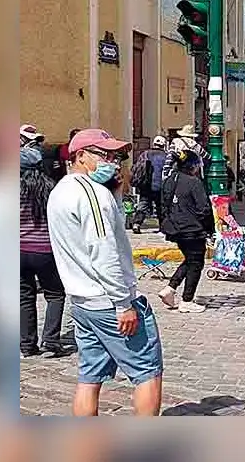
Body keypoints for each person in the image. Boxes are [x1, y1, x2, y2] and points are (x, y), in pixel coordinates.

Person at [47, 129, 163, 416]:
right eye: (104, 154)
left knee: (90, 377)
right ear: (80, 156)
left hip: (82, 301)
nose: (112, 161)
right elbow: (104, 252)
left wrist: (116, 191)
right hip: (108, 302)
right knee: (148, 372)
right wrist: (124, 304)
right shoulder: (91, 193)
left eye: (115, 156)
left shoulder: (61, 190)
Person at [20, 146, 68, 358]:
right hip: (46, 249)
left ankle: (26, 345)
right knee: (55, 294)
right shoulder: (52, 189)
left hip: (17, 249)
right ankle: (50, 339)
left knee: (24, 296)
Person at [158, 150, 214, 313]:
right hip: (192, 229)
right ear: (193, 166)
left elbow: (162, 205)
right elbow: (204, 209)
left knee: (190, 259)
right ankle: (187, 300)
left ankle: (170, 288)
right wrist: (210, 230)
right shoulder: (194, 182)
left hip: (175, 228)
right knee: (196, 263)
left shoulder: (169, 180)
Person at [130, 135, 168, 233]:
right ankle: (163, 227)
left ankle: (136, 223)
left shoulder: (145, 154)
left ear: (154, 144)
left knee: (143, 204)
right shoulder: (166, 156)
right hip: (160, 185)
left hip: (146, 185)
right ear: (163, 145)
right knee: (160, 206)